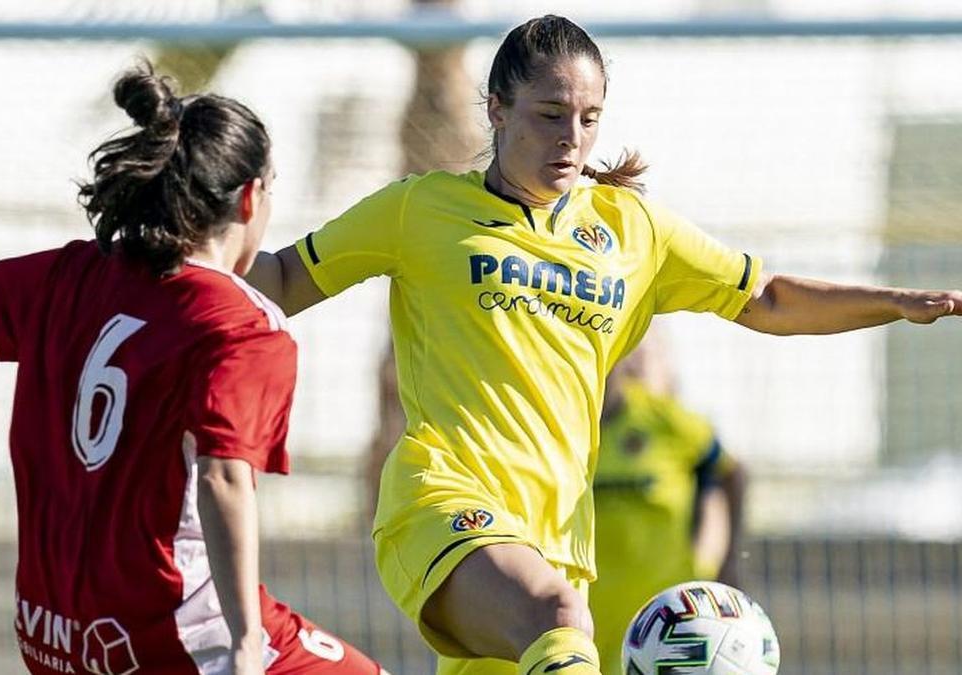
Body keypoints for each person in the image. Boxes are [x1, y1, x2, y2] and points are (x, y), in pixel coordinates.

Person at [242, 14, 962, 675]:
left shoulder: (631, 229)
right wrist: (170, 264)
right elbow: (278, 279)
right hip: (442, 501)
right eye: (550, 115)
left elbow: (768, 297)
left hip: (559, 538)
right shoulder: (419, 209)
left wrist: (894, 304)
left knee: (557, 617)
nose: (572, 139)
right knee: (553, 613)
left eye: (589, 120)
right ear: (496, 108)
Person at [0, 64, 386, 675]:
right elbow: (222, 477)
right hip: (170, 633)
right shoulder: (242, 324)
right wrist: (247, 642)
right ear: (251, 198)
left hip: (53, 633)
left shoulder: (68, 274)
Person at [591, 333, 747, 672]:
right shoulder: (555, 429)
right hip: (583, 614)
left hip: (667, 617)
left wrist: (727, 559)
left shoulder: (665, 422)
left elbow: (730, 474)